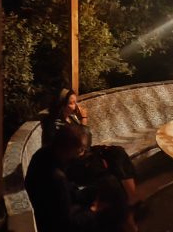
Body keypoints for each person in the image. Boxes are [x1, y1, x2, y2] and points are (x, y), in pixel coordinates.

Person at [42, 89, 143, 230]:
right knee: (111, 177)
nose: (75, 106)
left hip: (84, 154)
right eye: (71, 103)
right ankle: (127, 215)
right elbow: (82, 145)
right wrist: (84, 120)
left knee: (118, 152)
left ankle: (131, 199)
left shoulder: (71, 118)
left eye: (75, 102)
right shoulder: (56, 124)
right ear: (61, 104)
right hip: (75, 162)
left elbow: (84, 145)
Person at [25, 125, 99, 232]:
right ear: (70, 149)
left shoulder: (43, 154)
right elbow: (66, 222)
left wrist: (91, 193)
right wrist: (94, 210)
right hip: (49, 223)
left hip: (50, 210)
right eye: (81, 150)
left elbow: (68, 191)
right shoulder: (56, 177)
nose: (82, 154)